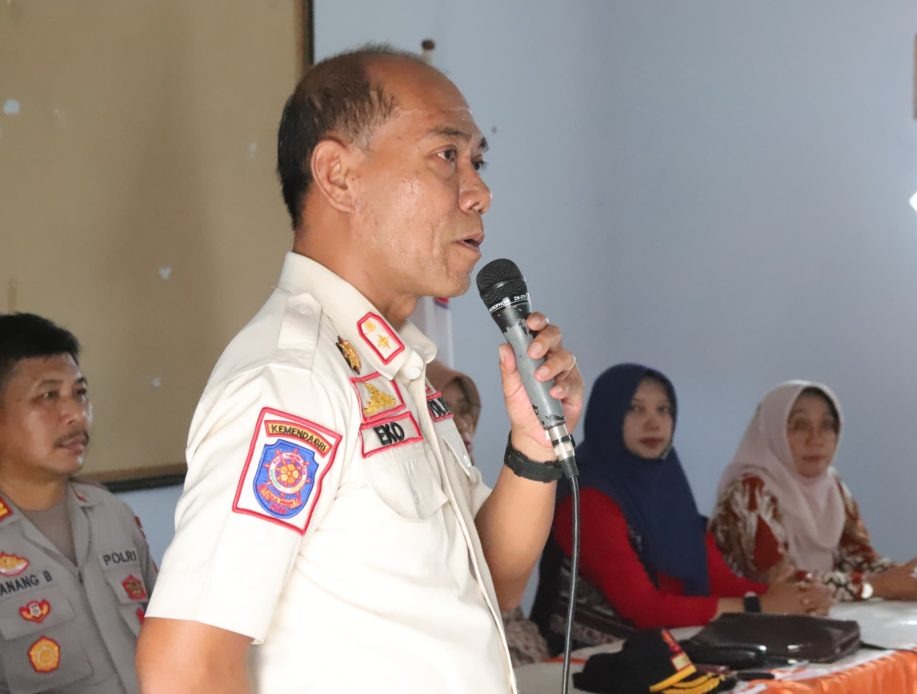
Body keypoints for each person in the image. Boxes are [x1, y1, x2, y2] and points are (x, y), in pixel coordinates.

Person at [135, 45, 583, 693]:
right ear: (338, 176)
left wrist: (534, 445)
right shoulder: (292, 378)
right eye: (446, 155)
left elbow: (491, 583)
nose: (480, 192)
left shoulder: (391, 368)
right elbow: (184, 665)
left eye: (477, 161)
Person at [531, 364, 832, 654]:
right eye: (635, 409)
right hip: (589, 663)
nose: (654, 423)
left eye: (663, 410)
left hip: (665, 648)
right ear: (608, 415)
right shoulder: (588, 498)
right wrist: (759, 606)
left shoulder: (666, 486)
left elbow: (716, 579)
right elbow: (644, 608)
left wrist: (795, 596)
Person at [0, 312, 156, 693]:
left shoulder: (111, 514)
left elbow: (166, 637)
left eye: (80, 393)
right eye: (49, 396)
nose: (75, 414)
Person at [710, 381, 917, 602]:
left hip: (815, 614)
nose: (816, 439)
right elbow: (783, 582)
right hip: (751, 625)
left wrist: (909, 577)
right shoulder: (749, 491)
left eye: (826, 426)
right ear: (772, 432)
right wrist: (874, 587)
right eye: (799, 426)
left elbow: (857, 557)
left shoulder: (832, 486)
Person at [425, 360, 550, 666]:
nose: (460, 423)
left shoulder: (472, 490)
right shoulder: (407, 502)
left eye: (464, 410)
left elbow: (507, 602)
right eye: (441, 409)